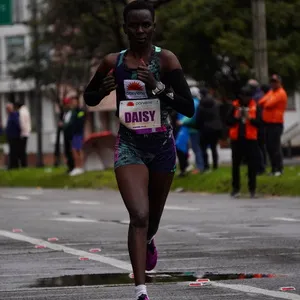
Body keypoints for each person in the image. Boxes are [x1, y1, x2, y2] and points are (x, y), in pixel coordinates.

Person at [83, 2, 194, 299]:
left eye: (146, 25)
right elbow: (89, 97)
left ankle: (149, 240)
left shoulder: (166, 60)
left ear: (153, 26)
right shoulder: (113, 62)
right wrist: (103, 90)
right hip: (130, 145)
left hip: (161, 147)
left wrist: (156, 86)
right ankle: (141, 291)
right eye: (134, 25)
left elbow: (188, 107)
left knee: (152, 220)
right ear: (125, 28)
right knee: (139, 215)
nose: (140, 30)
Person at [227, 86, 261, 198]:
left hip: (250, 139)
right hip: (237, 139)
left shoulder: (255, 106)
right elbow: (228, 121)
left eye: (247, 96)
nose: (245, 99)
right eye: (243, 96)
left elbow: (259, 123)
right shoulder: (235, 105)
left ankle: (252, 189)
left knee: (252, 165)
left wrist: (249, 118)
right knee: (235, 165)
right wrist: (237, 117)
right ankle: (235, 188)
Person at [259, 74, 287, 176]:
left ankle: (279, 169)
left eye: (275, 82)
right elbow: (261, 102)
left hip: (276, 123)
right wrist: (268, 98)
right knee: (269, 147)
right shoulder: (272, 92)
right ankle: (274, 168)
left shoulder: (281, 93)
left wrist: (268, 99)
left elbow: (268, 104)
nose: (273, 83)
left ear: (279, 82)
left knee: (275, 147)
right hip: (268, 123)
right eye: (272, 82)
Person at [179, 86, 204, 174]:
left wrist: (181, 122)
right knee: (197, 148)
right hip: (195, 128)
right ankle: (200, 166)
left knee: (196, 148)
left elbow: (190, 115)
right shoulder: (198, 102)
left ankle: (200, 167)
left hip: (194, 129)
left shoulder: (194, 102)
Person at [196, 88, 222, 171]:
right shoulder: (215, 103)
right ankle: (215, 165)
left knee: (203, 148)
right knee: (214, 148)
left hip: (204, 129)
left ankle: (206, 166)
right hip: (214, 129)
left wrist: (198, 126)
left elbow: (198, 118)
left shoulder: (201, 104)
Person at [69, 97, 86, 177]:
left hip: (78, 134)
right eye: (72, 102)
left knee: (78, 150)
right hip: (73, 134)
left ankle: (80, 167)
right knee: (74, 151)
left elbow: (80, 121)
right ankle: (77, 167)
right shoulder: (72, 112)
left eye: (74, 102)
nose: (73, 103)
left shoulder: (80, 111)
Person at [60, 98, 75, 174]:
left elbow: (70, 123)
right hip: (66, 135)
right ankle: (69, 166)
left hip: (71, 135)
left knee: (71, 150)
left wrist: (64, 125)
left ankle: (73, 166)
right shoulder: (65, 113)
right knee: (67, 151)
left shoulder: (72, 112)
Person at [15, 100, 31, 167]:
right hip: (27, 132)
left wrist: (21, 132)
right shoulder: (26, 111)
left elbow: (22, 123)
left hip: (23, 133)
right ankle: (24, 164)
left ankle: (23, 164)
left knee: (21, 150)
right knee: (23, 150)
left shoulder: (21, 112)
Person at [5, 103, 21, 169]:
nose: (6, 110)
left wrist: (18, 133)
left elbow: (17, 125)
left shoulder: (14, 115)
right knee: (12, 151)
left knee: (13, 151)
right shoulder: (11, 115)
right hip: (11, 136)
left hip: (14, 136)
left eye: (7, 109)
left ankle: (13, 165)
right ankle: (13, 165)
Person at [175, 112, 189, 177]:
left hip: (182, 129)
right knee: (181, 149)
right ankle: (184, 167)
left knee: (180, 148)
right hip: (179, 129)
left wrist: (181, 121)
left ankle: (183, 169)